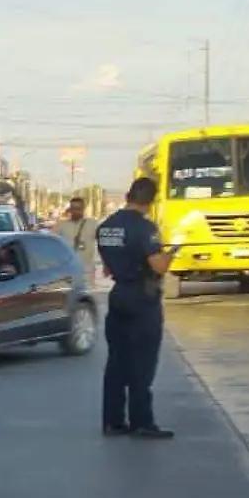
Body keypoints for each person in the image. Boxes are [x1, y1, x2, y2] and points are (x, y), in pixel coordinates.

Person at [96, 177, 176, 440]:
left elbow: (108, 267)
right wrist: (171, 253)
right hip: (142, 297)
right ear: (150, 201)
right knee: (142, 363)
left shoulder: (106, 226)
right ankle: (142, 422)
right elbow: (159, 266)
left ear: (129, 195)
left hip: (118, 295)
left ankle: (113, 421)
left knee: (117, 362)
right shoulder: (145, 228)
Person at [53, 196, 99, 272]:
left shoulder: (92, 224)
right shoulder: (61, 225)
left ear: (83, 209)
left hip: (86, 270)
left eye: (78, 209)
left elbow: (102, 244)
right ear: (70, 209)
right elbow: (52, 244)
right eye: (73, 208)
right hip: (66, 270)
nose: (76, 211)